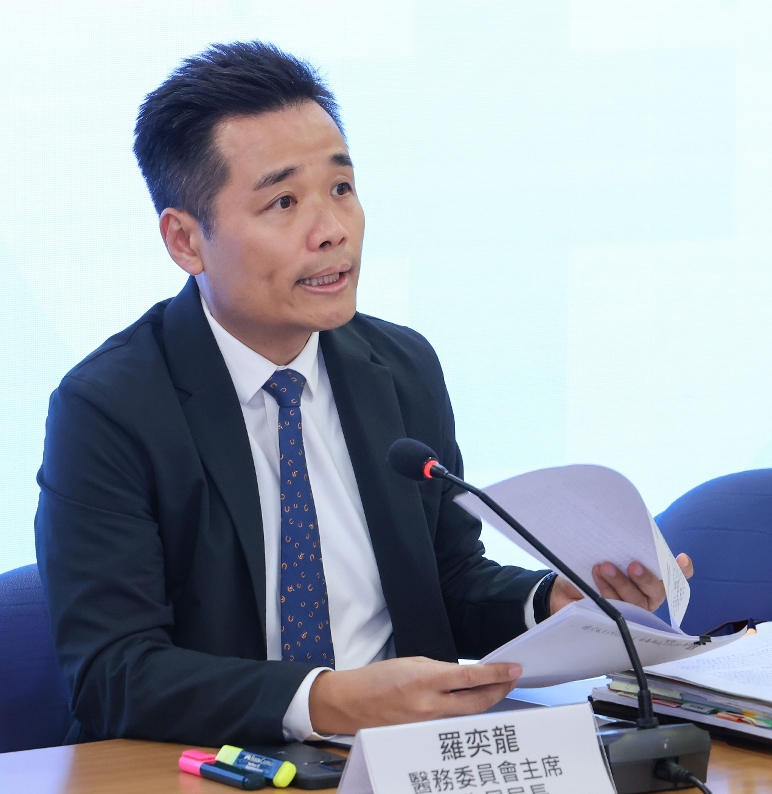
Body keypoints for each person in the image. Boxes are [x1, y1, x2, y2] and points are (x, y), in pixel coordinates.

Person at [35, 41, 693, 747]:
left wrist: (551, 603)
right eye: (284, 202)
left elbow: (447, 581)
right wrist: (327, 702)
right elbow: (114, 672)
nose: (333, 232)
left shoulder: (400, 367)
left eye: (342, 189)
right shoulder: (110, 408)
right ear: (186, 241)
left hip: (407, 763)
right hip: (217, 774)